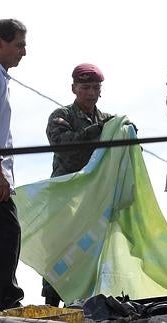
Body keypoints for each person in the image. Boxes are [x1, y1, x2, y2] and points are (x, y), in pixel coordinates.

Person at [43, 63, 114, 306]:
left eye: (96, 87)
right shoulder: (62, 116)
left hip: (94, 197)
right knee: (61, 249)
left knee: (90, 250)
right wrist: (99, 131)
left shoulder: (107, 120)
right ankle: (52, 303)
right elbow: (68, 150)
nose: (92, 93)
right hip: (66, 197)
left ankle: (85, 300)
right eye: (86, 87)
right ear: (74, 88)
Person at [0, 18, 26, 313]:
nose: (23, 52)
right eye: (19, 44)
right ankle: (6, 300)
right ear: (0, 43)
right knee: (6, 234)